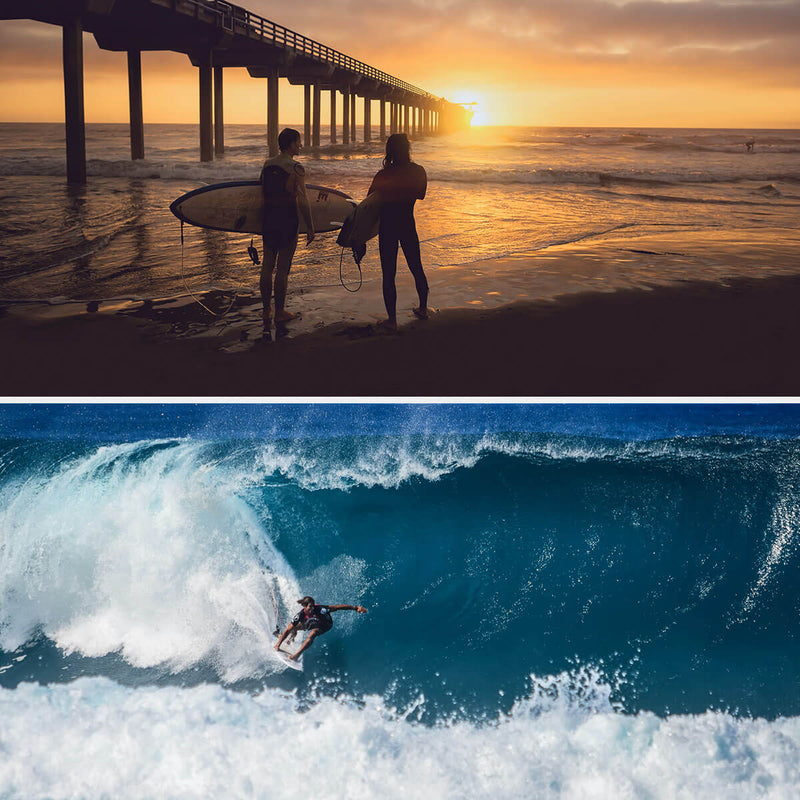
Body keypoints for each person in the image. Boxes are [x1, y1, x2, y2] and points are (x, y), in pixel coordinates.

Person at [367, 133, 429, 331]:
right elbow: (421, 194)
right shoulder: (418, 171)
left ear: (389, 151)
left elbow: (369, 203)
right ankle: (423, 308)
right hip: (407, 223)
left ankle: (392, 320)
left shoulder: (383, 175)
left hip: (388, 226)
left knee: (389, 274)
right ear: (408, 149)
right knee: (416, 266)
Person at [259, 128, 315, 339]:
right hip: (287, 220)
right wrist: (310, 226)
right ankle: (280, 312)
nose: (300, 145)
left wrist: (256, 221)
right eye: (298, 142)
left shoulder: (267, 165)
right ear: (291, 144)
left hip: (269, 219)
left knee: (267, 266)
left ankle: (266, 310)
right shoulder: (296, 168)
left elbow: (260, 192)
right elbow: (302, 199)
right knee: (282, 269)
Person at [274, 596, 368, 660]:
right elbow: (287, 629)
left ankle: (296, 655)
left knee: (313, 633)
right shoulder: (300, 615)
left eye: (313, 606)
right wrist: (278, 645)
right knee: (293, 628)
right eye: (310, 607)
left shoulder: (321, 610)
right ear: (304, 606)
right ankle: (289, 641)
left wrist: (355, 608)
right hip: (311, 622)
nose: (312, 609)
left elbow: (337, 607)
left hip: (325, 625)